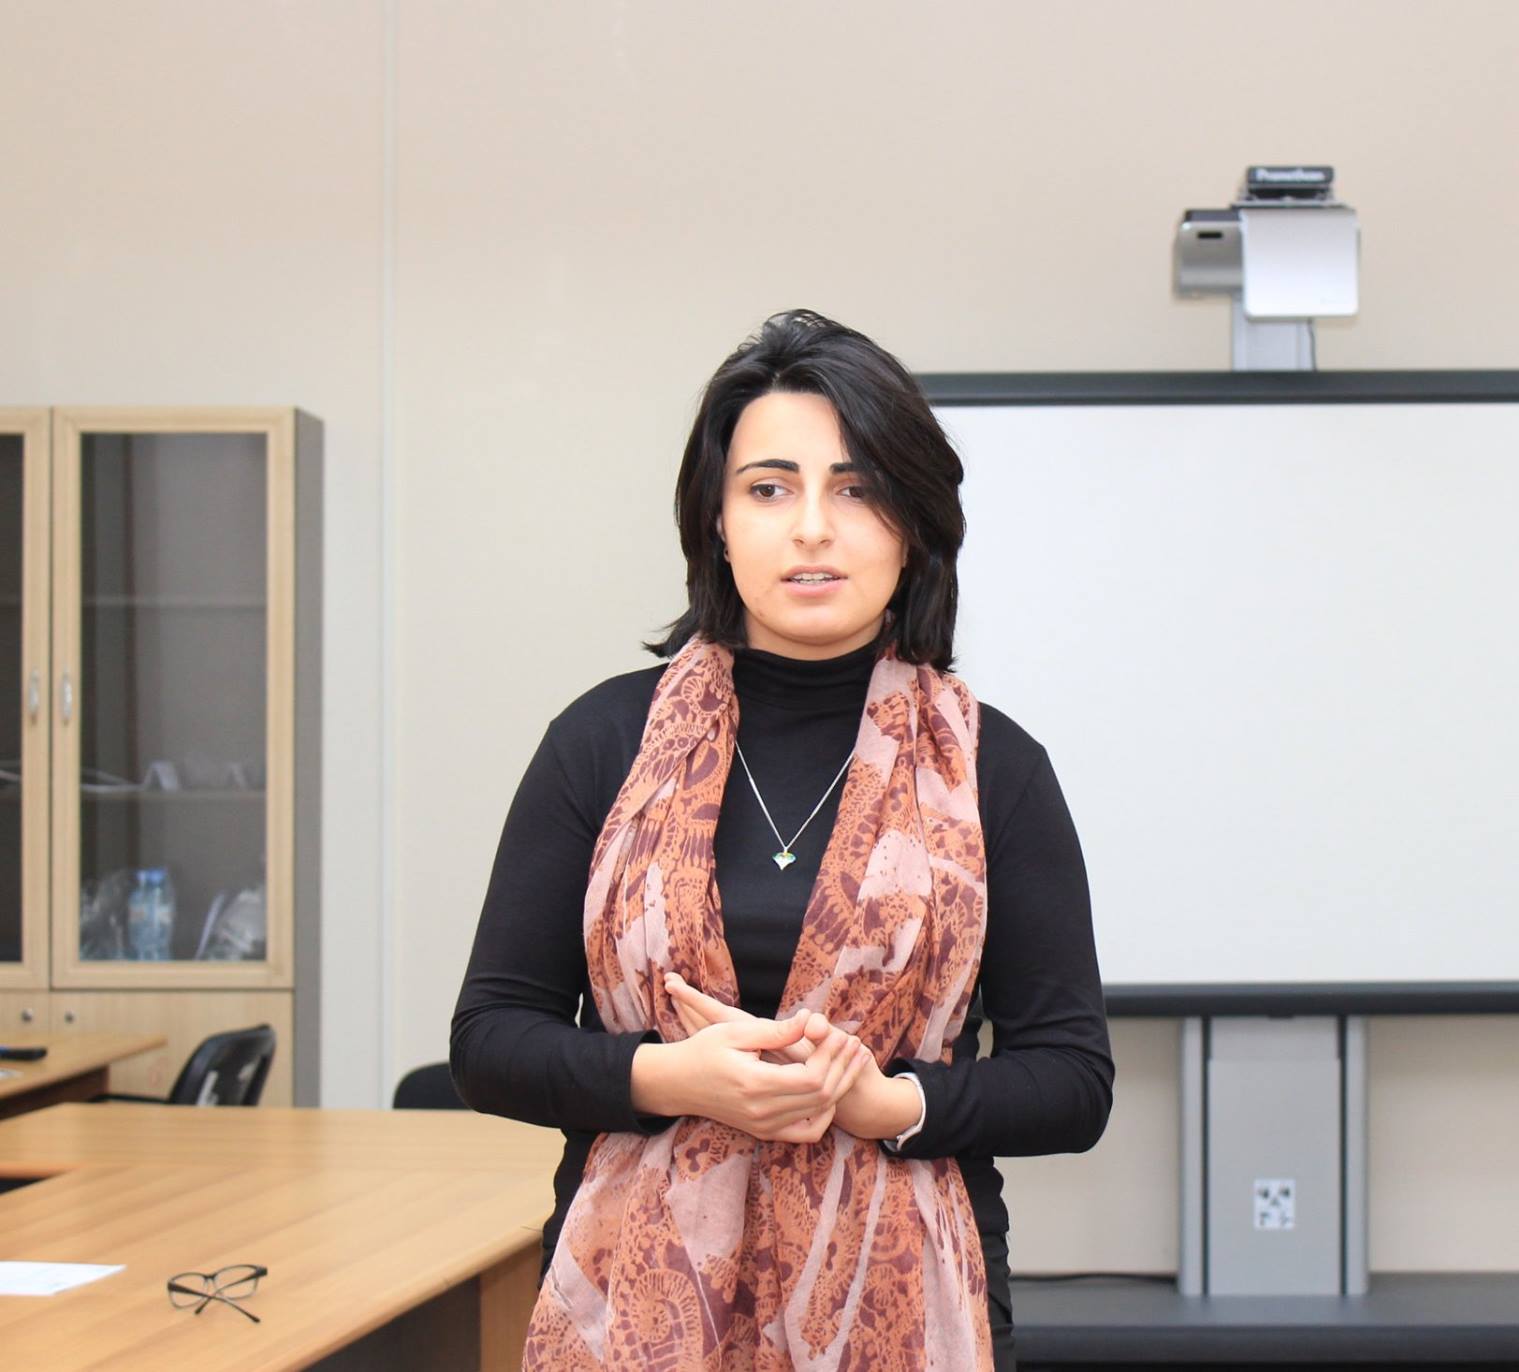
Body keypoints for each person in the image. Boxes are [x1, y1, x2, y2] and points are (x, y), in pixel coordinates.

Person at [450, 309, 1114, 1370]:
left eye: (855, 489)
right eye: (769, 488)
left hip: (914, 1300)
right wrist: (673, 1079)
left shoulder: (995, 768)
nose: (811, 527)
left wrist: (881, 1101)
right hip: (627, 1305)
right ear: (716, 521)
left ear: (912, 523)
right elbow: (489, 1040)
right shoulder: (602, 742)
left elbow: (1072, 1080)